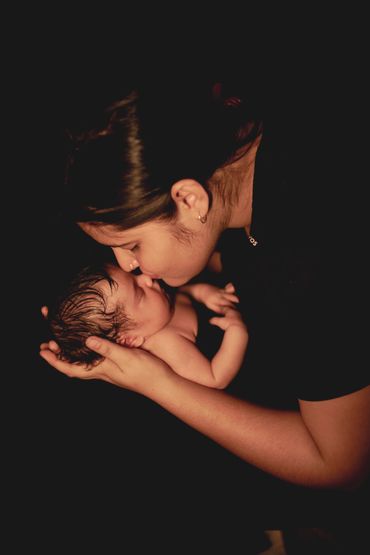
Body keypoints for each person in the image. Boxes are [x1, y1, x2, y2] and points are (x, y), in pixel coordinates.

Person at [39, 78, 370, 504]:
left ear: (189, 199)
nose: (127, 264)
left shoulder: (311, 262)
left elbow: (341, 466)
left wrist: (154, 384)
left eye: (132, 245)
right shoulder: (267, 141)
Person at [46, 261, 247, 388]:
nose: (146, 279)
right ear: (131, 339)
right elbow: (215, 378)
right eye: (140, 292)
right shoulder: (168, 345)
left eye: (134, 277)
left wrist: (203, 292)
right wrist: (237, 333)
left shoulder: (158, 308)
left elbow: (183, 293)